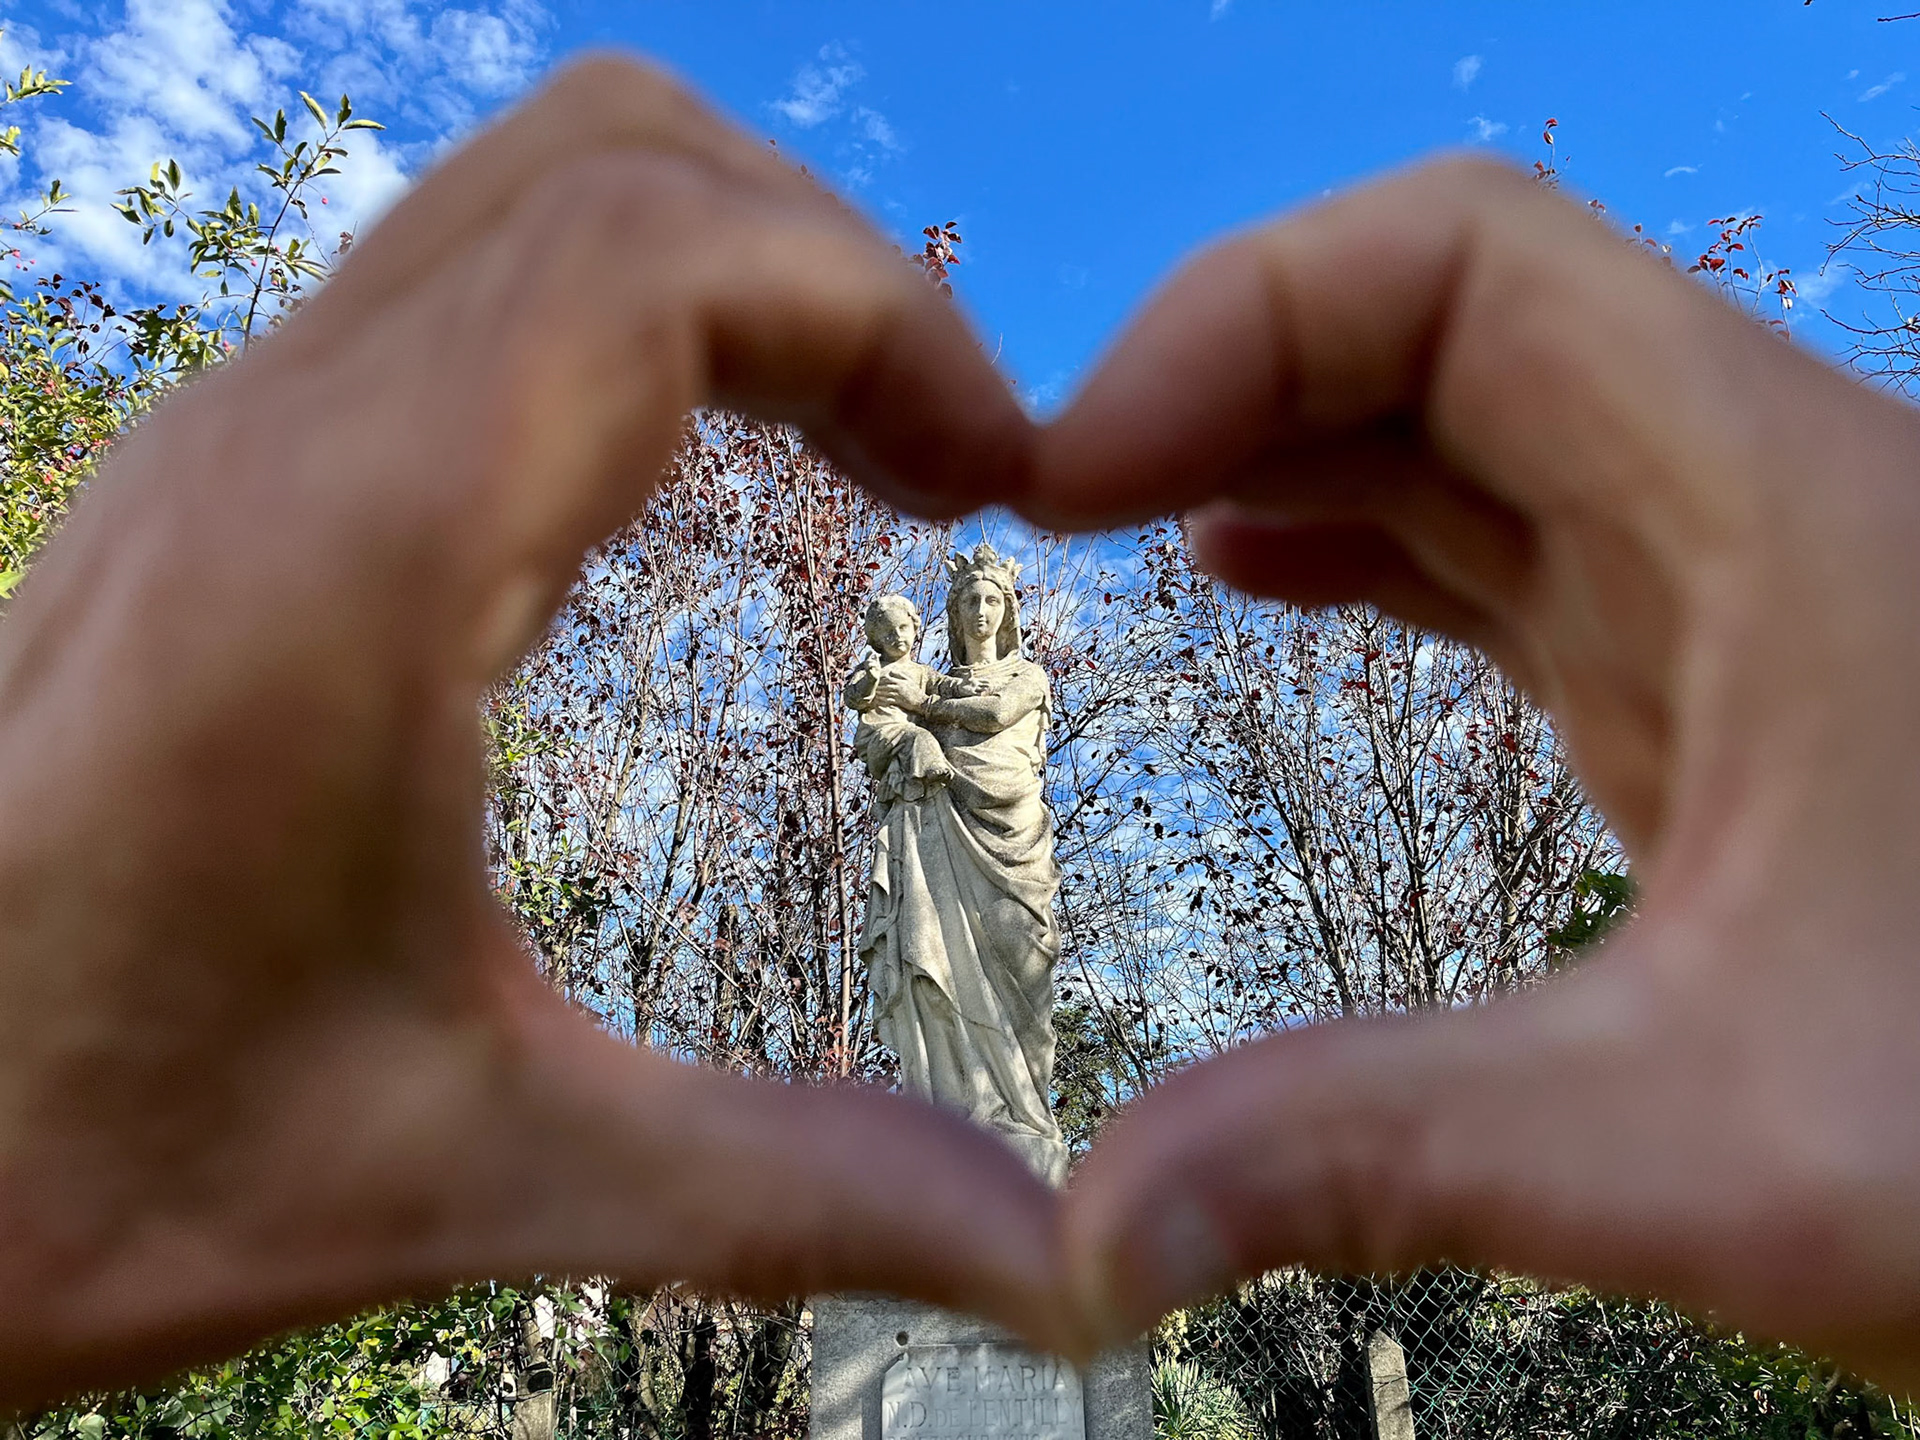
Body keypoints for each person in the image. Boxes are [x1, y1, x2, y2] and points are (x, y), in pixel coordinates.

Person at [4, 49, 1920, 1410]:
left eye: (1000, 610)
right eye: (976, 603)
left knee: (998, 1024)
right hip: (927, 872)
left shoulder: (1004, 684)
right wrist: (886, 710)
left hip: (1003, 888)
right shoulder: (934, 680)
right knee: (923, 999)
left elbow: (974, 731)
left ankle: (1002, 1144)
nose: (992, 618)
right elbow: (899, 736)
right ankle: (953, 1146)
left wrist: (909, 699)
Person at [843, 593, 983, 803]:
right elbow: (852, 699)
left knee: (923, 738)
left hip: (907, 736)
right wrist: (871, 679)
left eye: (902, 628)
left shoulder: (921, 672)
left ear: (914, 628)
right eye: (888, 633)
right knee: (919, 737)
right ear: (877, 640)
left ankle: (920, 785)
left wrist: (963, 686)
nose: (897, 636)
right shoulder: (872, 668)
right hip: (880, 734)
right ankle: (932, 770)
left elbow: (943, 685)